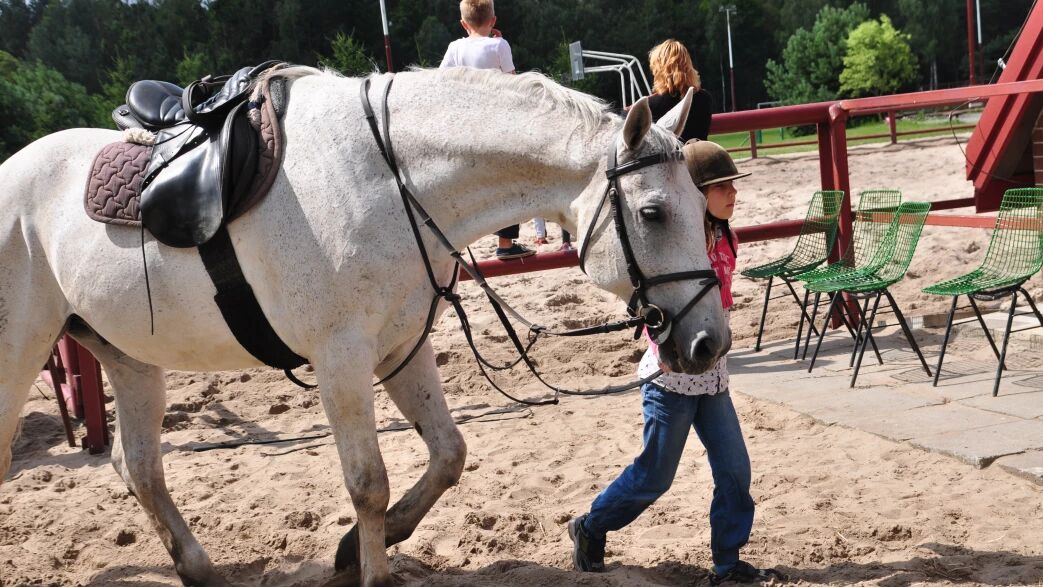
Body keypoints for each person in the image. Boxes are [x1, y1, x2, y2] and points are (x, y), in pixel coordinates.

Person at [569, 140, 785, 585]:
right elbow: (655, 298)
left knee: (735, 471)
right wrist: (662, 342)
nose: (733, 193)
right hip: (670, 381)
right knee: (655, 476)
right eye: (722, 186)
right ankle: (590, 526)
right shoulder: (676, 242)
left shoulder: (727, 236)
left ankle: (727, 563)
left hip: (713, 376)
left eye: (733, 185)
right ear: (696, 194)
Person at [440, 0, 534, 260]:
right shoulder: (500, 45)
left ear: (463, 24)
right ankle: (505, 244)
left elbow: (441, 80)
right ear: (493, 21)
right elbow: (513, 84)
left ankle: (456, 243)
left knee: (461, 183)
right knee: (508, 182)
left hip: (466, 125)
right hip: (496, 123)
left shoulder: (455, 47)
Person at [647, 39, 713, 142]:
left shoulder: (651, 105)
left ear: (658, 70)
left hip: (672, 153)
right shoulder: (705, 98)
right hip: (700, 151)